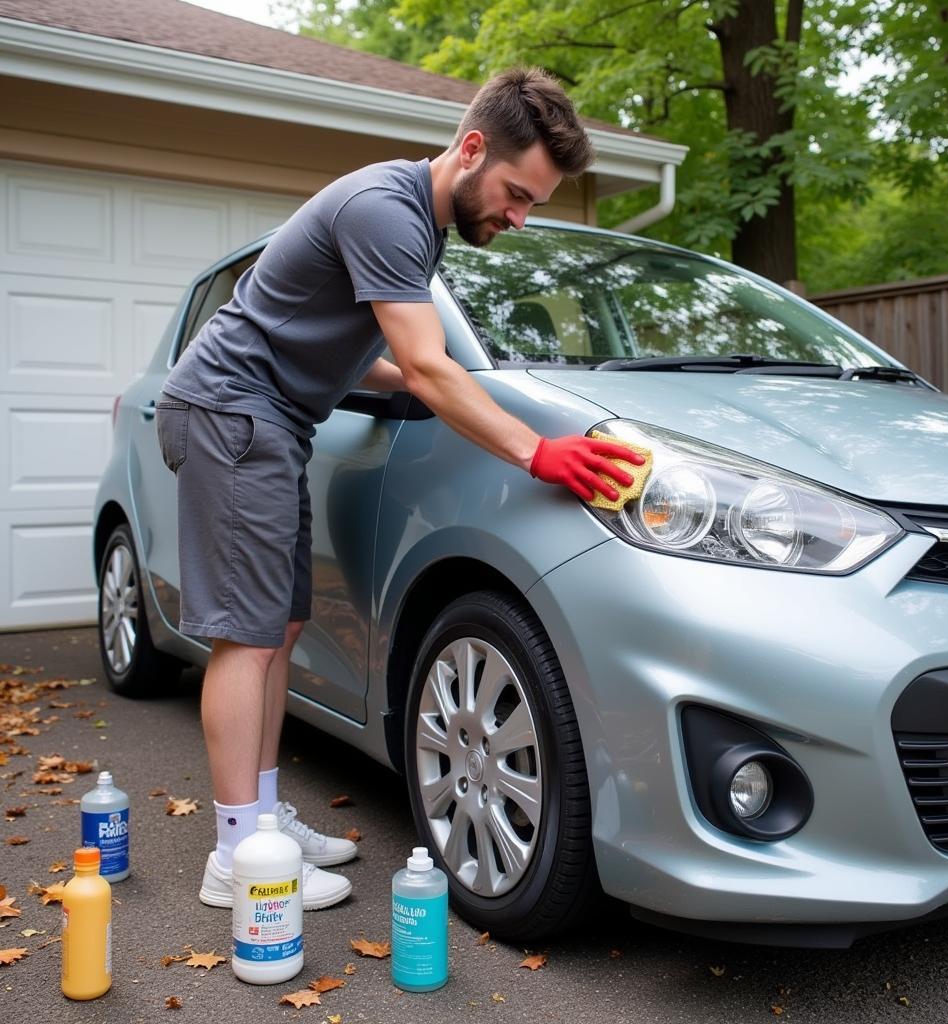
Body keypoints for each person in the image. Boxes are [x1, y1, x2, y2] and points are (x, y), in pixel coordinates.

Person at [155, 67, 646, 911]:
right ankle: (237, 854)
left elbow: (366, 350)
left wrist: (415, 383)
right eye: (517, 194)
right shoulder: (389, 208)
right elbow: (426, 359)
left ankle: (260, 820)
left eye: (534, 204)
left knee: (280, 623)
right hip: (232, 412)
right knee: (247, 635)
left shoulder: (418, 223)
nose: (520, 217)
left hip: (271, 418)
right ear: (472, 148)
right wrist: (539, 452)